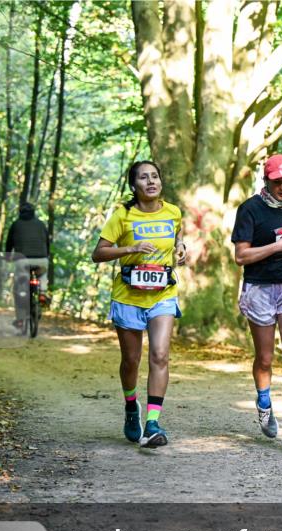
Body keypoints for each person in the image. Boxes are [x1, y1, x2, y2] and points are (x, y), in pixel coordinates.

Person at [91, 160, 187, 448]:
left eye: (155, 176)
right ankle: (131, 405)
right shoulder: (123, 215)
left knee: (160, 355)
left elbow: (178, 234)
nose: (151, 182)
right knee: (131, 360)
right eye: (143, 178)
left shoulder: (173, 212)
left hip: (162, 294)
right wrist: (131, 248)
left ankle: (153, 422)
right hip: (128, 296)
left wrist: (181, 248)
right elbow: (99, 253)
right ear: (134, 185)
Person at [231, 154, 282, 451]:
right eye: (278, 181)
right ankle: (264, 403)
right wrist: (278, 246)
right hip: (260, 288)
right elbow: (241, 256)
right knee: (265, 358)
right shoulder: (250, 210)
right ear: (267, 180)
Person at [5, 202, 50, 331]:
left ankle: (20, 319)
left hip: (22, 261)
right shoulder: (41, 224)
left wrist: (8, 257)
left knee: (19, 289)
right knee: (42, 274)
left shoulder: (15, 225)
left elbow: (9, 244)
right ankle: (42, 292)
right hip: (41, 259)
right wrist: (46, 256)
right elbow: (47, 241)